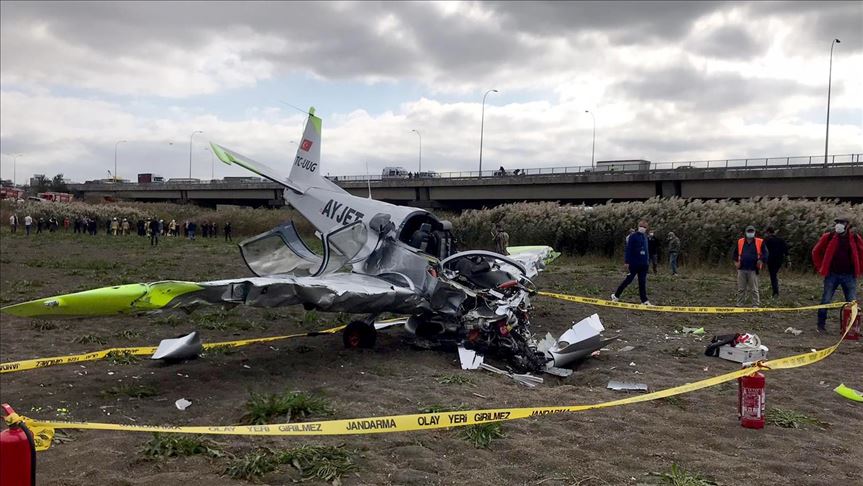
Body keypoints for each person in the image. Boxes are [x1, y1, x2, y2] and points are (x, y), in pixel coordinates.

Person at [812, 217, 863, 334]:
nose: (839, 225)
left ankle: (852, 329)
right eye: (837, 223)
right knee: (825, 301)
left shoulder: (854, 238)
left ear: (847, 225)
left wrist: (859, 268)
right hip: (832, 274)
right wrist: (821, 267)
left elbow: (861, 252)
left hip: (849, 275)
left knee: (851, 302)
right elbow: (816, 251)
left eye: (842, 223)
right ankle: (821, 326)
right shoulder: (828, 237)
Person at [612, 220, 652, 305]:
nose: (643, 228)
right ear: (638, 226)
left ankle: (644, 300)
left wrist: (647, 261)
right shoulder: (633, 236)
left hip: (644, 265)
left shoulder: (645, 237)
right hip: (634, 263)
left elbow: (646, 250)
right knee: (628, 280)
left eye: (645, 227)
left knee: (642, 282)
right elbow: (628, 249)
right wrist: (627, 262)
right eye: (642, 226)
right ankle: (616, 296)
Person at [733, 225, 768, 307]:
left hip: (753, 269)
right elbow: (735, 254)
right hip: (742, 268)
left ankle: (755, 304)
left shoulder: (760, 241)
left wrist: (761, 260)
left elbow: (765, 253)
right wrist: (736, 262)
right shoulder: (740, 241)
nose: (750, 233)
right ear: (745, 232)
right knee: (741, 288)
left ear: (754, 232)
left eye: (752, 231)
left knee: (754, 289)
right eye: (749, 231)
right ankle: (739, 304)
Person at [764, 227, 788, 298]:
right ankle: (775, 291)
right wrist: (788, 261)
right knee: (774, 275)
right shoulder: (781, 240)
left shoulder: (767, 240)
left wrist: (764, 261)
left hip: (771, 261)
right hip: (779, 260)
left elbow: (764, 251)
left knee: (773, 276)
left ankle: (775, 292)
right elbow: (786, 250)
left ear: (768, 232)